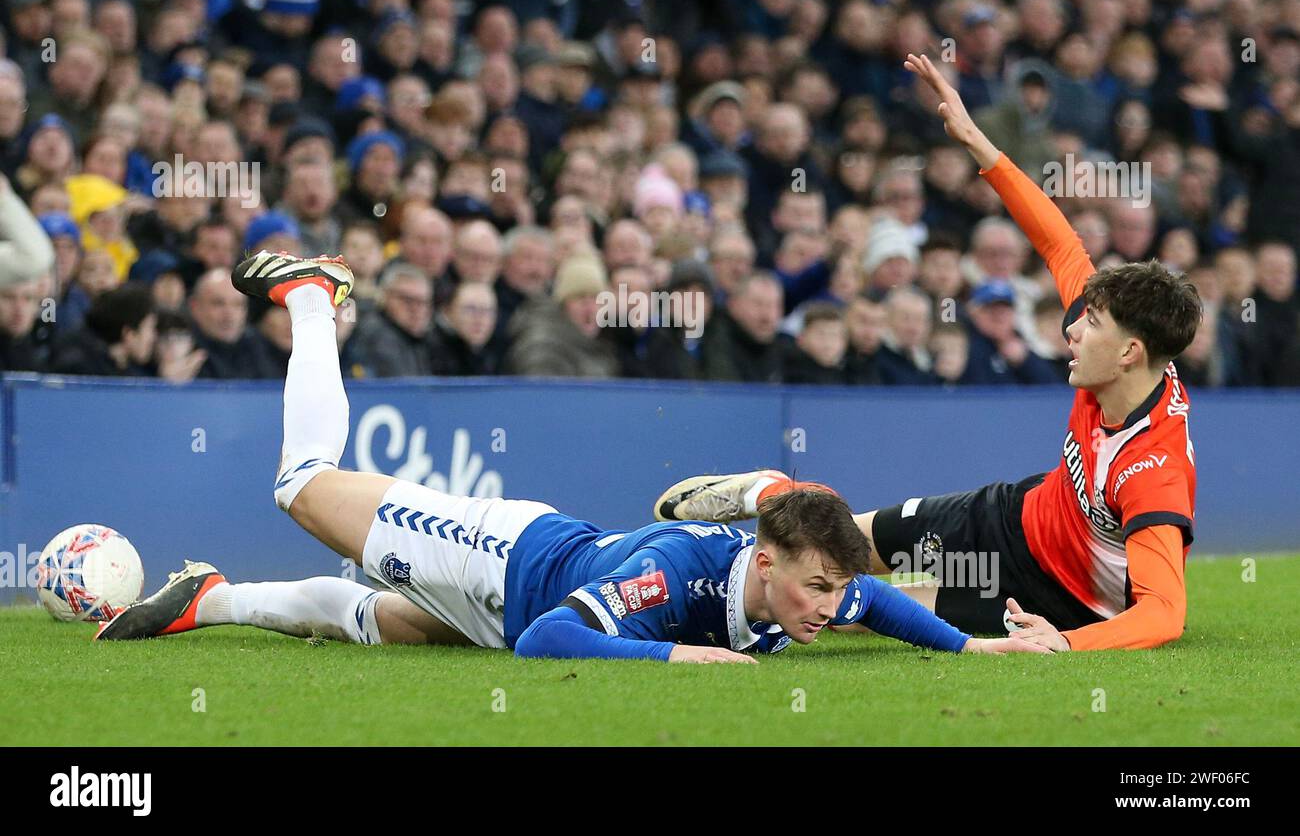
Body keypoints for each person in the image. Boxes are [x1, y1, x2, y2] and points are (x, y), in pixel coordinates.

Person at [96, 249, 1041, 661]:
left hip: (514, 593)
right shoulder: (682, 573)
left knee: (381, 624)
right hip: (497, 556)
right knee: (301, 487)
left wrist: (980, 650)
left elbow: (878, 601)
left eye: (830, 592)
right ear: (764, 559)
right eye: (817, 590)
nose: (830, 608)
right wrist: (682, 664)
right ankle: (311, 297)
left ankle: (209, 599)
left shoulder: (802, 591)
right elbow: (553, 641)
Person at [661, 54, 1202, 652]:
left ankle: (699, 598)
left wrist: (1069, 644)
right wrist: (978, 144)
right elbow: (1058, 239)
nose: (1072, 331)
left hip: (1057, 597)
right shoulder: (1122, 340)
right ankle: (765, 493)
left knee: (846, 606)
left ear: (1129, 352)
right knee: (846, 545)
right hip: (1011, 514)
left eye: (1090, 325)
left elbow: (1164, 615)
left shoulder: (1155, 472)